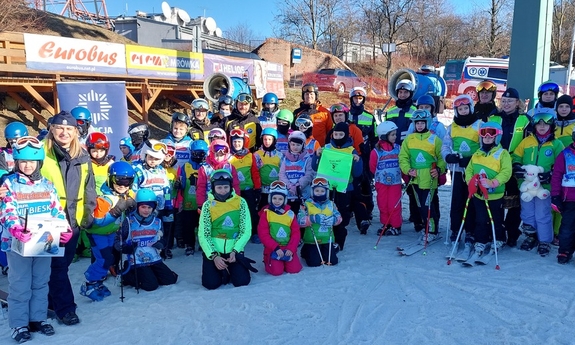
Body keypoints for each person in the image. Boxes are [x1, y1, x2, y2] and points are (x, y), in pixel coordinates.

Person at [0, 136, 73, 342]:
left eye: (32, 161)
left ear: (39, 162)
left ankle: (37, 318)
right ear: (16, 162)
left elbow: (56, 210)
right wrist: (15, 229)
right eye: (23, 161)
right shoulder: (10, 184)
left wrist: (64, 229)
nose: (27, 165)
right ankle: (19, 324)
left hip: (43, 242)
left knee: (41, 282)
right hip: (17, 244)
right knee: (20, 284)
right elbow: (7, 211)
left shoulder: (47, 185)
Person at [41, 111, 96, 326]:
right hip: (47, 221)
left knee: (60, 267)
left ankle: (51, 301)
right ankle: (65, 308)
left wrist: (88, 213)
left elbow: (89, 187)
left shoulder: (82, 156)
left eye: (69, 129)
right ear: (52, 129)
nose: (64, 132)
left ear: (75, 132)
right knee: (55, 266)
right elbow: (22, 174)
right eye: (60, 128)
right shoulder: (41, 153)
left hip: (73, 222)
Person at [511, 109, 564, 255]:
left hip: (544, 187)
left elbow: (562, 164)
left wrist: (551, 174)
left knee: (542, 214)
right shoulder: (527, 141)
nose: (542, 127)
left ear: (551, 126)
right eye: (539, 124)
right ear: (534, 126)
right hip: (527, 186)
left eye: (545, 124)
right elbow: (517, 156)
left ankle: (545, 240)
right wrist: (516, 166)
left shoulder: (556, 144)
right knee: (527, 213)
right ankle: (531, 236)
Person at [82, 161, 136, 301]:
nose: (123, 185)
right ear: (111, 179)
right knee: (104, 259)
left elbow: (127, 211)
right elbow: (99, 221)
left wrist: (131, 206)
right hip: (98, 234)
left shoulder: (124, 195)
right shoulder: (105, 198)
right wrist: (118, 209)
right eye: (118, 181)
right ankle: (89, 283)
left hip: (111, 232)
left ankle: (98, 282)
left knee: (109, 259)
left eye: (127, 181)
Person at [198, 170, 255, 290]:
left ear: (230, 186)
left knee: (242, 282)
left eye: (226, 187)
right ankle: (220, 269)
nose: (223, 191)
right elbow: (204, 233)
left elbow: (246, 230)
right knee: (211, 284)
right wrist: (214, 256)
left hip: (233, 251)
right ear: (213, 188)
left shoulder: (241, 202)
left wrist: (235, 250)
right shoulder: (208, 205)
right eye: (219, 187)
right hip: (215, 251)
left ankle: (232, 268)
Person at [490, 87, 532, 247]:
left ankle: (512, 231)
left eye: (510, 101)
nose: (506, 104)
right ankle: (498, 231)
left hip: (516, 165)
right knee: (497, 199)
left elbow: (529, 143)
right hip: (497, 164)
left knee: (515, 202)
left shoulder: (525, 120)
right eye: (504, 100)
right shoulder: (494, 118)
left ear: (517, 103)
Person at [464, 121, 512, 259]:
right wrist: (471, 183)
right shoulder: (477, 154)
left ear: (497, 137)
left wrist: (493, 182)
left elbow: (506, 172)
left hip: (495, 195)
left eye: (491, 136)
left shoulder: (502, 154)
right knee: (480, 219)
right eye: (484, 135)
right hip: (479, 195)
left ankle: (499, 239)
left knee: (496, 219)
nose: (487, 138)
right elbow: (469, 170)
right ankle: (481, 241)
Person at [398, 109, 446, 243]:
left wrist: (439, 169)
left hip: (429, 179)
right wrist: (408, 170)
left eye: (422, 123)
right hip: (415, 180)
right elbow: (403, 157)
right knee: (420, 206)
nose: (419, 126)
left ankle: (432, 231)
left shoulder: (434, 139)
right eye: (417, 123)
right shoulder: (409, 139)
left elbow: (442, 158)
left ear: (428, 123)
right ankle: (427, 227)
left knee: (428, 206)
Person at [116, 188, 178, 292]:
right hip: (136, 260)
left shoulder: (157, 221)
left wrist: (161, 243)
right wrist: (126, 248)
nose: (146, 210)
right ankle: (126, 276)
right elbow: (117, 240)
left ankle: (149, 274)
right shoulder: (129, 221)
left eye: (149, 207)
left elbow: (162, 238)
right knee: (151, 285)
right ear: (137, 207)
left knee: (170, 279)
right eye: (143, 207)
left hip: (154, 258)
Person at [313, 122, 364, 247]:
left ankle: (338, 241)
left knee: (341, 215)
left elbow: (357, 173)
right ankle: (325, 238)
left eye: (341, 134)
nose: (338, 137)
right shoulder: (327, 148)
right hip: (326, 188)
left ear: (346, 135)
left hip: (344, 188)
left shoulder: (351, 151)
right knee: (325, 212)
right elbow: (315, 167)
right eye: (336, 134)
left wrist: (357, 161)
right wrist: (316, 155)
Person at [442, 94, 481, 249]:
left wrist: (472, 159)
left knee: (471, 200)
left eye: (466, 108)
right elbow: (446, 145)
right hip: (458, 170)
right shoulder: (452, 127)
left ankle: (471, 230)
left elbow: (485, 145)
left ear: (470, 108)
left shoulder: (479, 125)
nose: (463, 111)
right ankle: (455, 229)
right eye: (460, 109)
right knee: (457, 201)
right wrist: (448, 157)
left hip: (473, 170)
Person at [257, 180, 302, 275]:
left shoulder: (290, 214)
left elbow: (296, 233)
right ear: (270, 198)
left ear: (284, 200)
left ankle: (286, 260)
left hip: (287, 247)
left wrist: (291, 248)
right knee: (277, 272)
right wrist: (275, 248)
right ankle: (268, 260)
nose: (277, 201)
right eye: (275, 198)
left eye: (280, 199)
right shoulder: (266, 213)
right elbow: (263, 234)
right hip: (273, 248)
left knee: (294, 269)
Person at [297, 177, 342, 267]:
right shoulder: (306, 204)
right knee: (314, 263)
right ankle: (306, 250)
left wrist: (334, 220)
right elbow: (299, 221)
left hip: (327, 239)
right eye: (317, 190)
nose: (319, 193)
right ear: (312, 191)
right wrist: (312, 219)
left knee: (332, 261)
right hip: (312, 240)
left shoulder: (331, 204)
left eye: (322, 191)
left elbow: (339, 217)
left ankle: (328, 249)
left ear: (326, 192)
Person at [228, 128, 262, 243]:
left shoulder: (249, 155)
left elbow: (255, 173)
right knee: (236, 212)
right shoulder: (229, 157)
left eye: (239, 141)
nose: (237, 144)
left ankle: (254, 233)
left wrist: (257, 188)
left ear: (244, 142)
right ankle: (237, 233)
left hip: (248, 189)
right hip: (234, 191)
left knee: (251, 212)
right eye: (234, 141)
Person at [176, 140, 208, 255]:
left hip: (204, 202)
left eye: (202, 153)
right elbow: (182, 183)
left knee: (204, 225)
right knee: (188, 225)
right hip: (189, 202)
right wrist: (179, 184)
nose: (199, 156)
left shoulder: (207, 167)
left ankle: (204, 244)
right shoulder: (185, 167)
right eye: (196, 153)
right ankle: (189, 245)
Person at [371, 121, 403, 236]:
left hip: (395, 183)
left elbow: (402, 164)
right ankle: (386, 224)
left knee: (394, 204)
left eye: (395, 134)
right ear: (384, 136)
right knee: (383, 204)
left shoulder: (398, 149)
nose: (395, 137)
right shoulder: (376, 152)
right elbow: (372, 167)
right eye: (392, 135)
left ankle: (396, 225)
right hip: (381, 183)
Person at [551, 130, 575, 264]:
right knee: (567, 227)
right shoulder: (565, 154)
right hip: (569, 199)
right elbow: (556, 176)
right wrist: (555, 195)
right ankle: (565, 250)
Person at [132, 140, 173, 218]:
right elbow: (134, 190)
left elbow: (166, 189)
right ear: (145, 155)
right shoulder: (138, 169)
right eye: (150, 157)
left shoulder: (161, 170)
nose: (153, 161)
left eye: (157, 159)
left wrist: (168, 202)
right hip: (143, 209)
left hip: (159, 208)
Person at [279, 131, 315, 218]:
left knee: (302, 217)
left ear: (303, 145)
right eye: (293, 144)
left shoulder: (307, 158)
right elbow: (282, 174)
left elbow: (309, 174)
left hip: (302, 194)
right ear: (289, 145)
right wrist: (290, 186)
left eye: (298, 145)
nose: (295, 147)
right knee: (289, 217)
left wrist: (299, 185)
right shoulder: (285, 158)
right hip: (288, 193)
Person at [254, 128, 283, 210]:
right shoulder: (257, 155)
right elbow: (255, 171)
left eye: (270, 139)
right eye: (265, 139)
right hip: (262, 189)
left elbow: (282, 171)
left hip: (276, 189)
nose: (267, 142)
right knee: (262, 209)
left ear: (274, 140)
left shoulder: (279, 155)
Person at [383, 79, 417, 144]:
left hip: (409, 147)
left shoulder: (416, 111)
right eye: (400, 92)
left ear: (411, 93)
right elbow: (385, 130)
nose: (402, 95)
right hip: (393, 147)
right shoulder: (390, 111)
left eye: (405, 92)